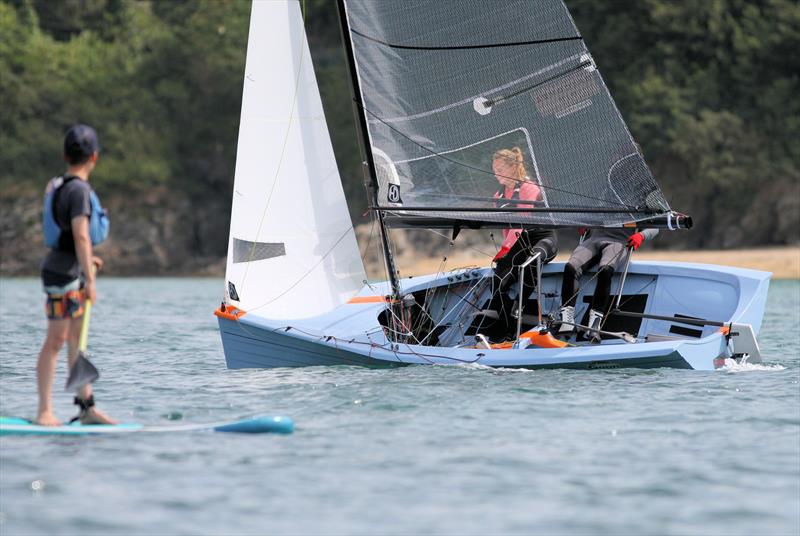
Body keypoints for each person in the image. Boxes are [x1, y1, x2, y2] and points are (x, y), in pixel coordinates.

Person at [36, 125, 115, 426]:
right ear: (94, 157)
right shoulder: (79, 190)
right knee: (56, 341)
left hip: (70, 270)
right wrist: (91, 280)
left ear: (65, 155)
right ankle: (44, 410)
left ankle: (87, 407)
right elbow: (82, 236)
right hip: (62, 275)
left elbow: (72, 237)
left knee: (76, 342)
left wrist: (86, 264)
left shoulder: (61, 185)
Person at [490, 147, 557, 327]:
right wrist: (506, 254)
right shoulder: (498, 196)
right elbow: (507, 229)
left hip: (542, 238)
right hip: (519, 241)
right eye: (494, 171)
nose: (496, 175)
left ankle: (519, 307)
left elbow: (521, 221)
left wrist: (506, 249)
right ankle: (505, 323)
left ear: (513, 168)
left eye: (501, 170)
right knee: (498, 280)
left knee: (530, 262)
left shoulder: (530, 189)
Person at [557, 226, 658, 339]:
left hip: (619, 242)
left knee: (605, 270)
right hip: (592, 240)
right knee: (571, 267)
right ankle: (567, 322)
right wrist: (582, 223)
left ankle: (594, 325)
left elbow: (655, 227)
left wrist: (641, 235)